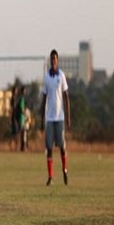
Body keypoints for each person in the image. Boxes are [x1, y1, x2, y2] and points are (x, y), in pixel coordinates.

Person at [40, 49, 70, 186]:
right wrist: (41, 120)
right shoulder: (46, 77)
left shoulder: (61, 76)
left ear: (57, 61)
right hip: (50, 118)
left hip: (60, 117)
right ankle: (50, 177)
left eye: (55, 59)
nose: (53, 61)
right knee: (49, 147)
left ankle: (65, 170)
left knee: (62, 147)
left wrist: (68, 117)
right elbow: (44, 98)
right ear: (50, 61)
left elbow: (66, 96)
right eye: (51, 59)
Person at [9, 85, 19, 151]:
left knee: (15, 133)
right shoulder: (13, 98)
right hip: (14, 118)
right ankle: (13, 146)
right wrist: (10, 117)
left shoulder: (15, 98)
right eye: (16, 90)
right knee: (16, 133)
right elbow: (12, 109)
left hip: (15, 117)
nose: (16, 91)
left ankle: (14, 146)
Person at [17, 86, 27, 152]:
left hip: (23, 119)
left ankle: (23, 147)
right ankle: (21, 147)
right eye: (24, 91)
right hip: (21, 118)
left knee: (23, 133)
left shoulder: (23, 99)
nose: (25, 92)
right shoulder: (21, 99)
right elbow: (21, 108)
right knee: (21, 133)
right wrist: (25, 114)